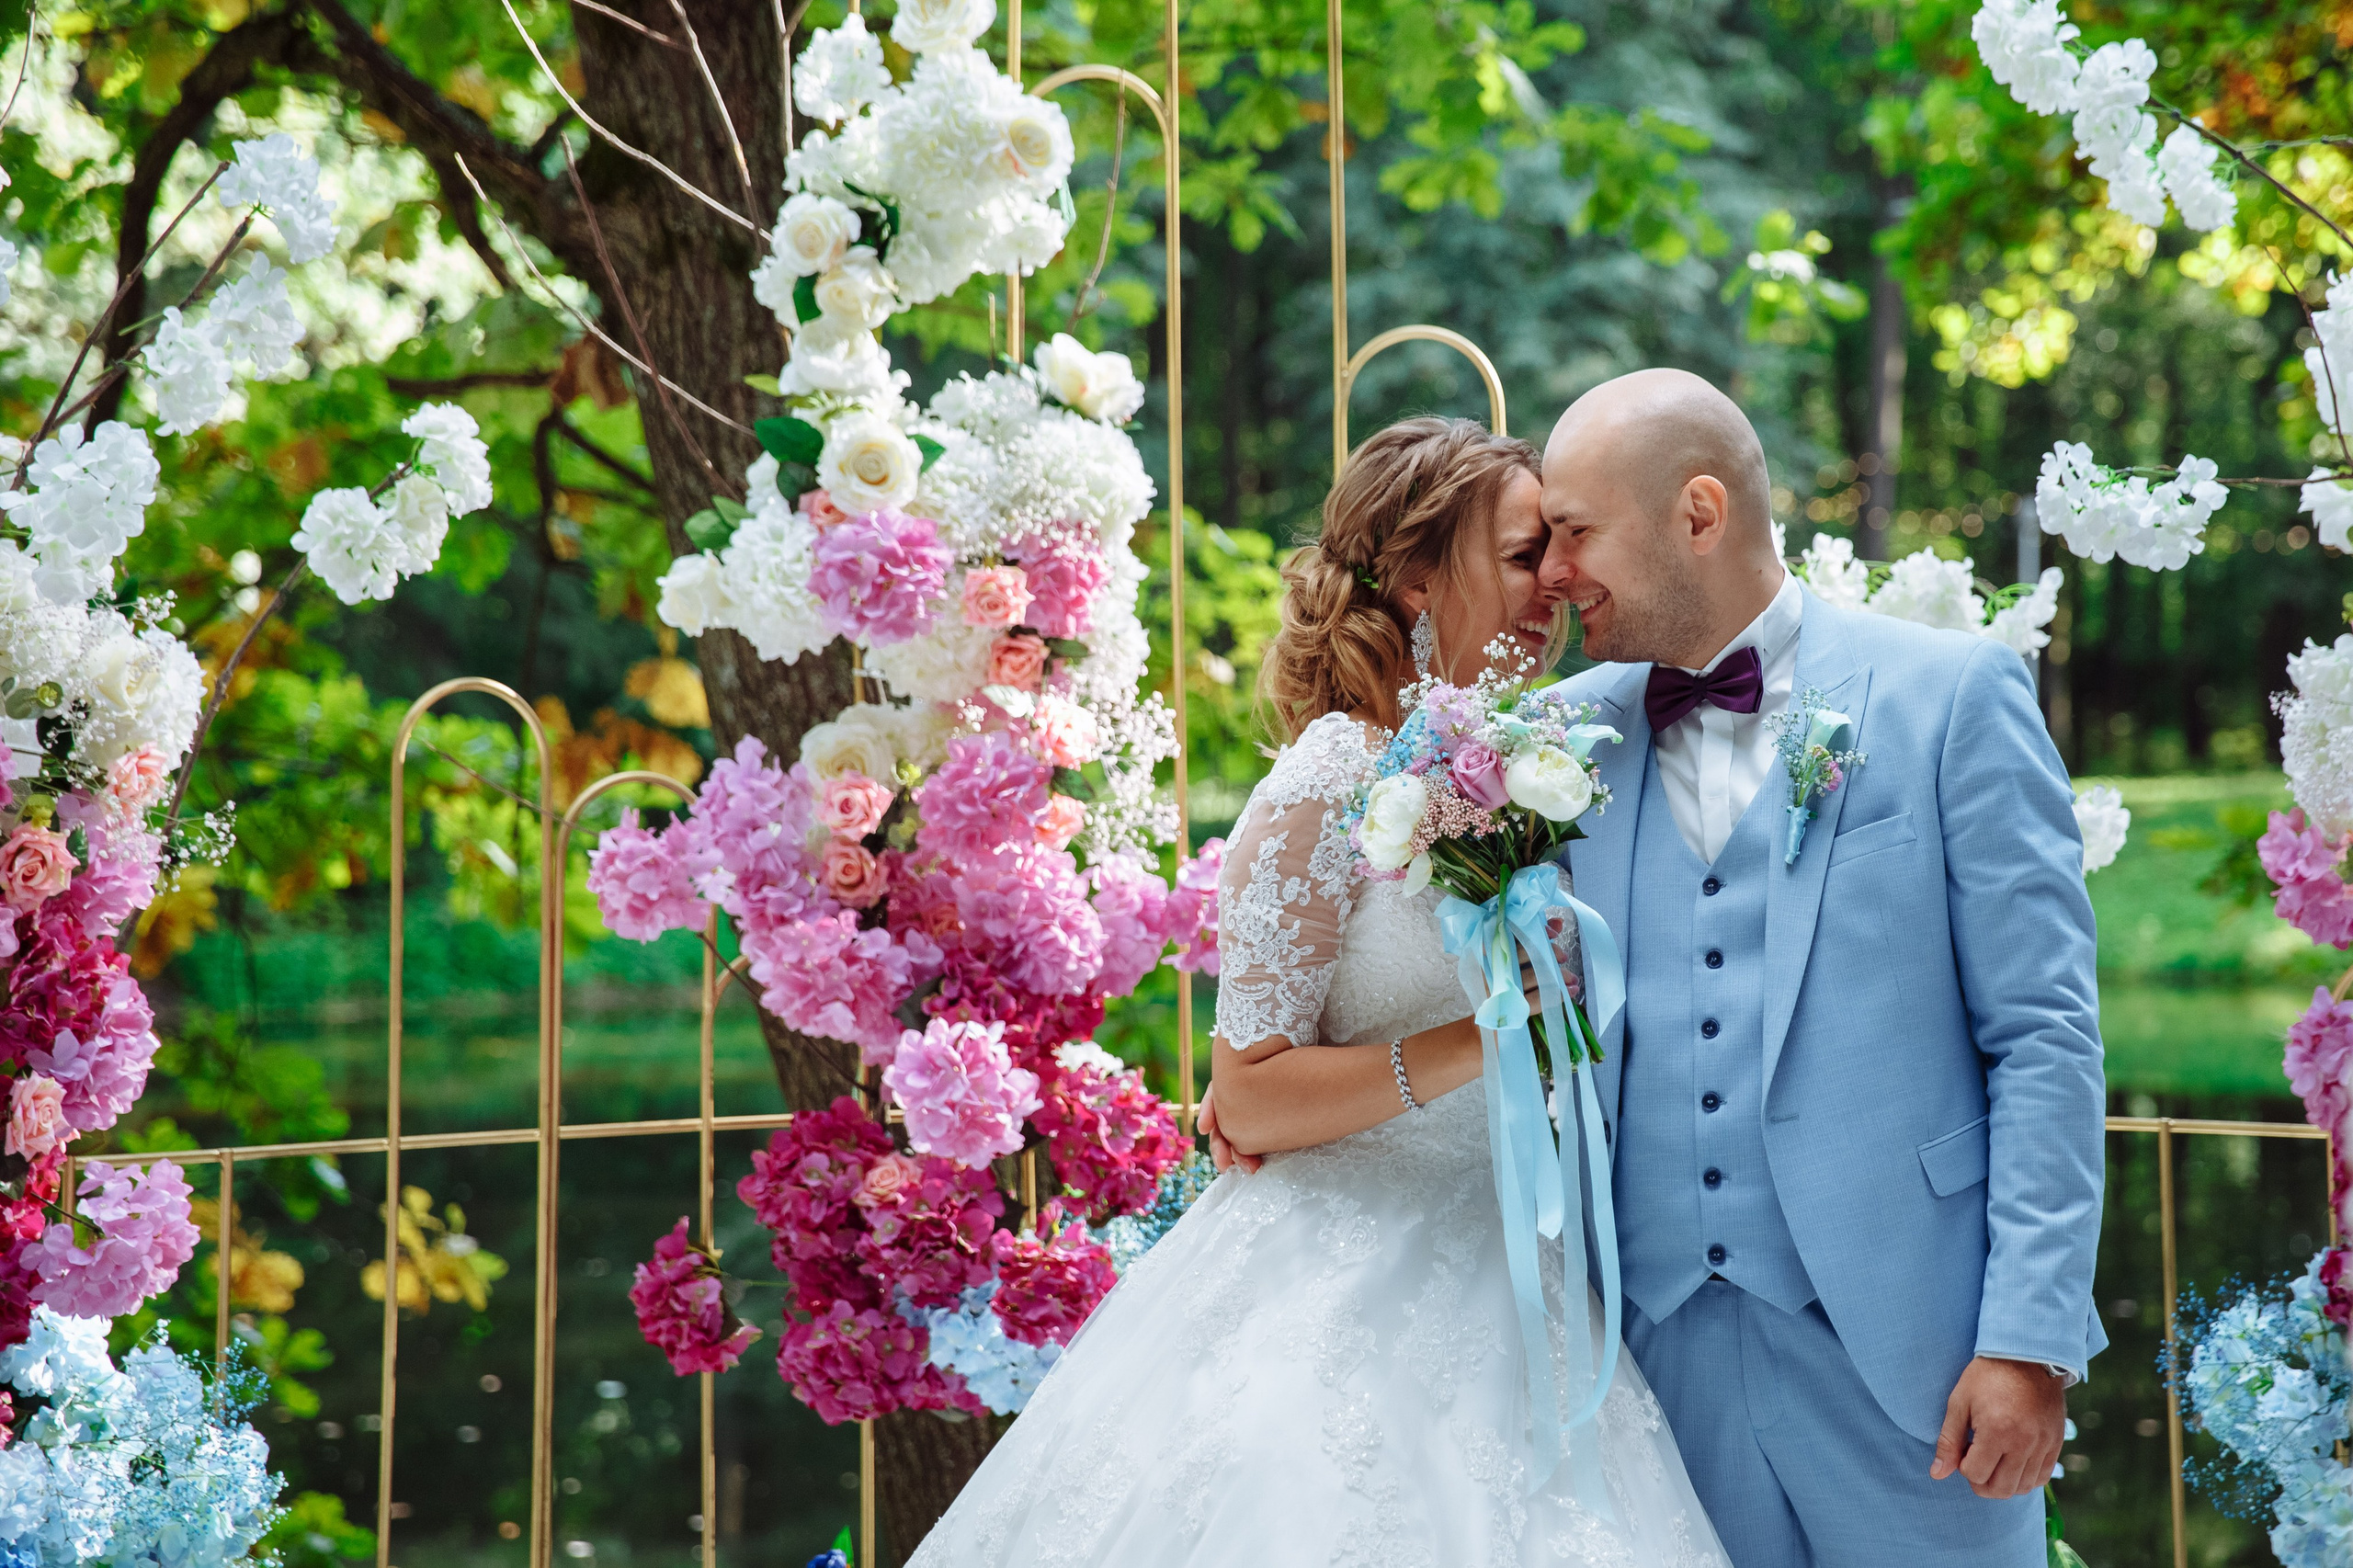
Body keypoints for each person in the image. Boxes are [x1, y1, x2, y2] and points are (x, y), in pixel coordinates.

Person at [906, 416, 1730, 1565]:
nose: (1551, 582)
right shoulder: (1333, 771)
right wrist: (1485, 1040)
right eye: (1518, 552)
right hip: (1343, 1269)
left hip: (1519, 1262)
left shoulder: (1532, 761)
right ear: (1411, 580)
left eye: (1555, 549)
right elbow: (1243, 1097)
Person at [1527, 369, 2106, 1564]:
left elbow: (2043, 1036)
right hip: (1649, 1370)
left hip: (1922, 1365)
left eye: (1576, 533)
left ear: (1699, 512)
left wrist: (2030, 1335)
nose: (1552, 574)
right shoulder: (1554, 743)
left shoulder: (1952, 697)